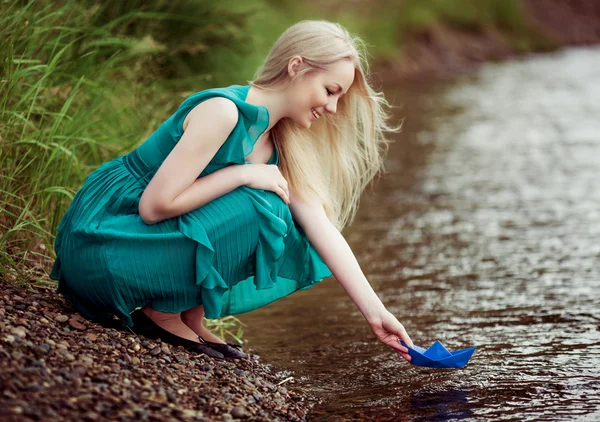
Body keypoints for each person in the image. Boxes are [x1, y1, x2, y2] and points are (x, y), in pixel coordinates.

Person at [50, 20, 413, 361]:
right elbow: (153, 207)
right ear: (297, 66)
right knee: (262, 207)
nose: (333, 107)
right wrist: (243, 174)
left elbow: (319, 226)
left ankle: (189, 316)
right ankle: (162, 312)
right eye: (330, 91)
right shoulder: (223, 112)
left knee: (284, 211)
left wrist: (376, 314)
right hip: (104, 244)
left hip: (138, 245)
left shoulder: (279, 141)